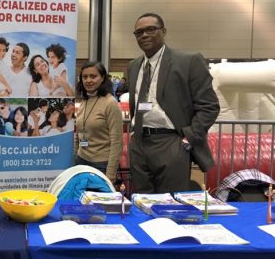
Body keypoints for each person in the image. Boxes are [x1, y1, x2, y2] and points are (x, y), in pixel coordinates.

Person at [127, 12, 220, 193]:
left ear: (163, 31)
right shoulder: (133, 66)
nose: (144, 35)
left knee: (170, 204)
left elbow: (209, 106)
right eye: (139, 32)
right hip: (139, 143)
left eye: (150, 29)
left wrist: (188, 138)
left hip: (171, 142)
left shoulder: (188, 61)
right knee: (141, 202)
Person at [75, 61, 123, 183]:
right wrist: (75, 160)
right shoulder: (84, 101)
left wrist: (111, 174)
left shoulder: (110, 103)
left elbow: (117, 141)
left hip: (102, 165)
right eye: (84, 77)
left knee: (98, 202)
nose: (88, 80)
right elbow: (79, 134)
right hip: (81, 162)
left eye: (93, 76)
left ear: (102, 78)